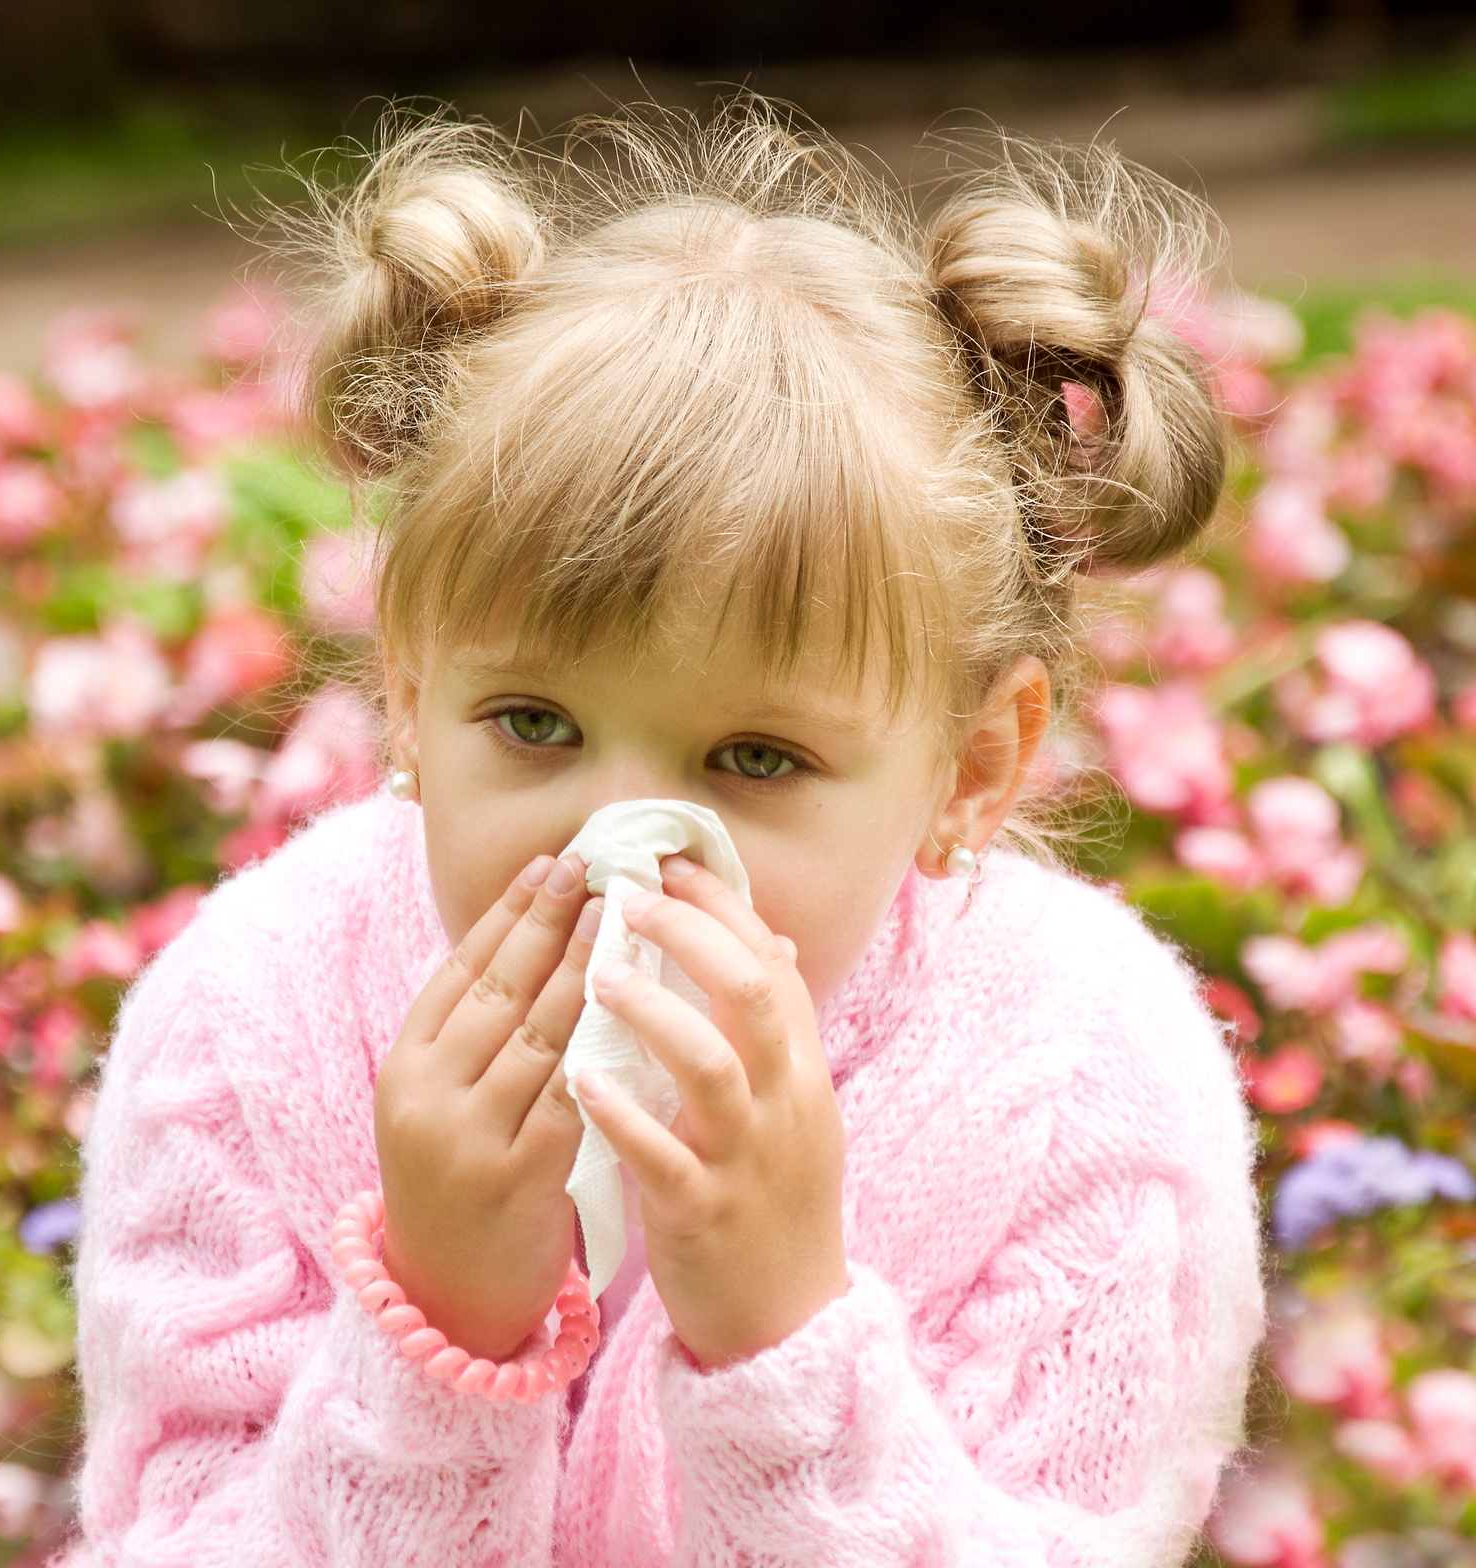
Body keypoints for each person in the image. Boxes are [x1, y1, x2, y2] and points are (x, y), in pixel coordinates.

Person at [65, 102, 1264, 1566]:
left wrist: (782, 1341)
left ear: (975, 765)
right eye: (533, 725)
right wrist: (436, 1328)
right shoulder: (253, 1019)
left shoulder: (1085, 1072)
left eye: (755, 757)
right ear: (410, 687)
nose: (613, 839)